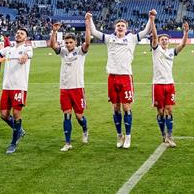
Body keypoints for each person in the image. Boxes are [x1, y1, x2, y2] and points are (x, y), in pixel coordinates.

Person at [89, 10, 155, 149]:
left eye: (122, 25)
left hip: (125, 77)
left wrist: (150, 18)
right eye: (118, 25)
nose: (120, 27)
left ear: (126, 28)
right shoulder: (109, 39)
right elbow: (94, 32)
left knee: (126, 107)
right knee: (115, 107)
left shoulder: (132, 38)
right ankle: (119, 135)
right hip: (112, 77)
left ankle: (128, 136)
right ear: (115, 28)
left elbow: (146, 30)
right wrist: (89, 19)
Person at [49, 20, 92, 152]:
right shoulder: (63, 52)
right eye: (66, 42)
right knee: (67, 115)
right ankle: (67, 143)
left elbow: (88, 42)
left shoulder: (80, 51)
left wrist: (87, 26)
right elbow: (52, 45)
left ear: (75, 43)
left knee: (79, 116)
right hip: (64, 89)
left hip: (77, 88)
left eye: (70, 42)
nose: (68, 44)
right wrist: (54, 31)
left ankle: (85, 129)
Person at [151, 21, 189, 147]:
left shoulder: (172, 52)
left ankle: (170, 136)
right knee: (160, 112)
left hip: (170, 84)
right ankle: (163, 134)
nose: (164, 41)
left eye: (166, 39)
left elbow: (183, 44)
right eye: (162, 39)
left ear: (169, 41)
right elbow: (155, 37)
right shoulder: (156, 50)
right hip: (158, 85)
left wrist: (186, 32)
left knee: (169, 110)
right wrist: (152, 21)